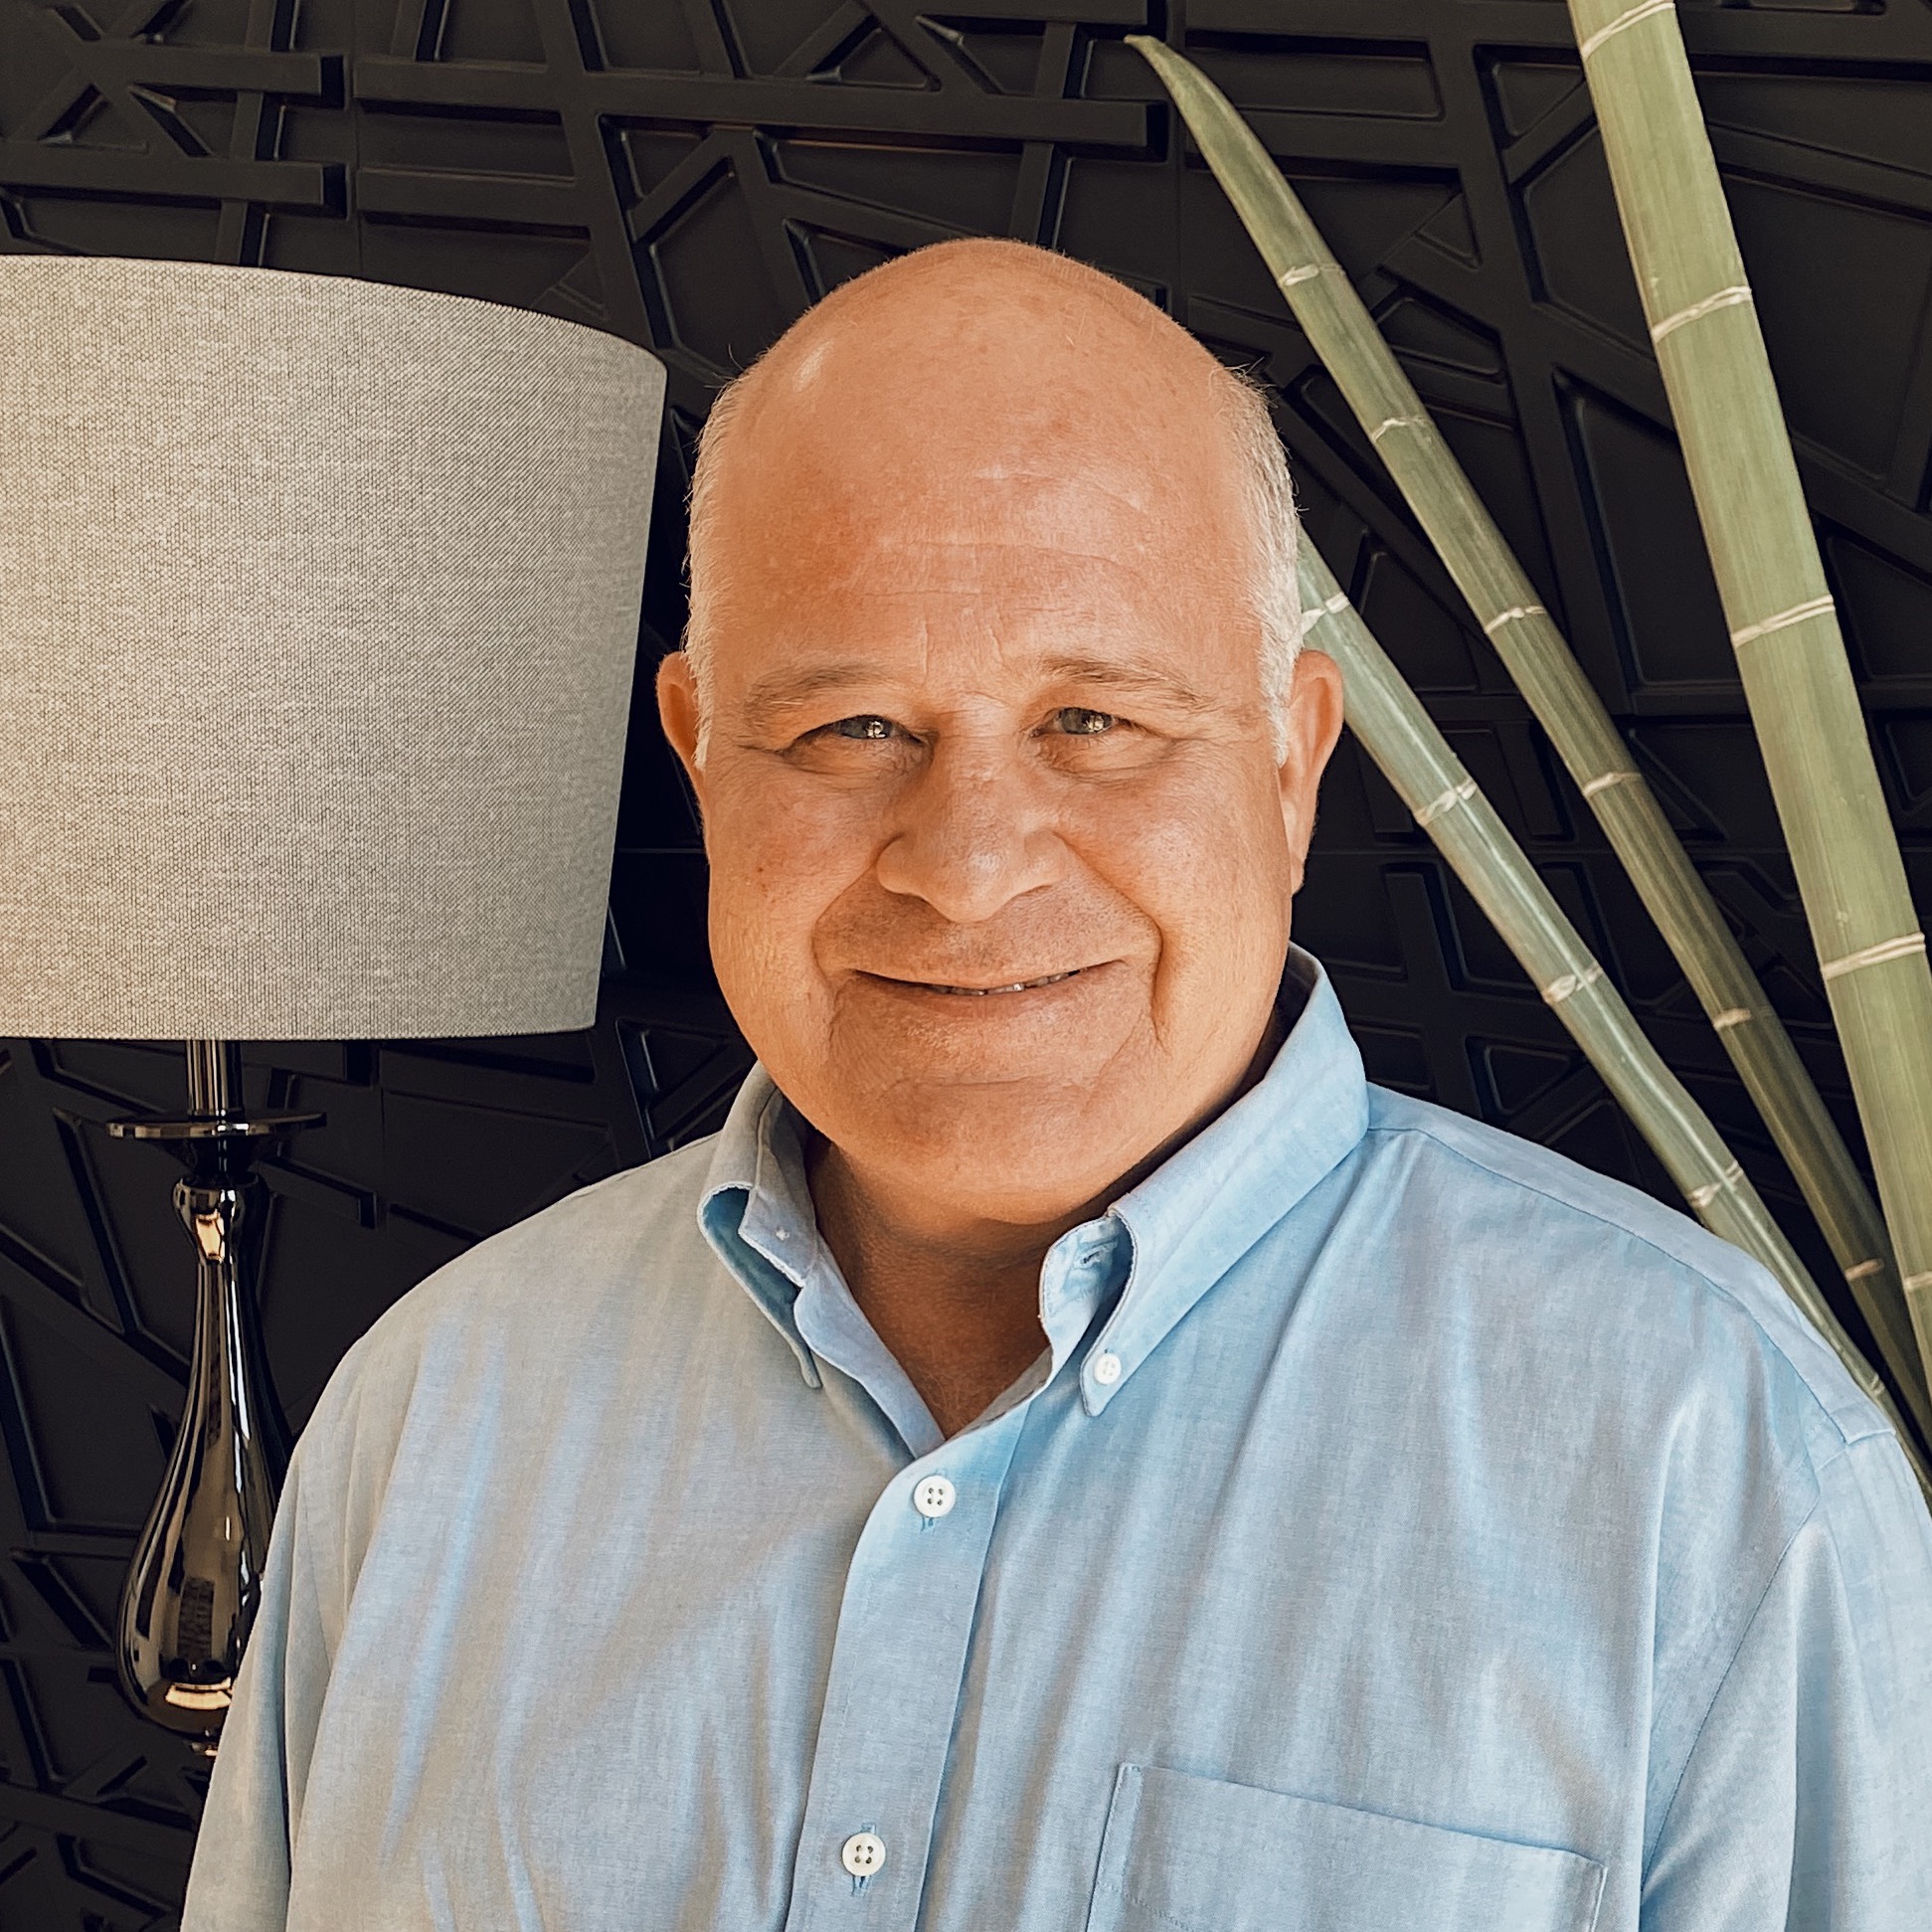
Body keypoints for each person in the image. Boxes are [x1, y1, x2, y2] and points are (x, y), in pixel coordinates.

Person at [183, 238, 1932, 1932]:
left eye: (1094, 722)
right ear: (702, 757)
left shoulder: (1723, 1475)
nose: (966, 864)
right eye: (852, 729)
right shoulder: (430, 1419)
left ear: (1293, 764)